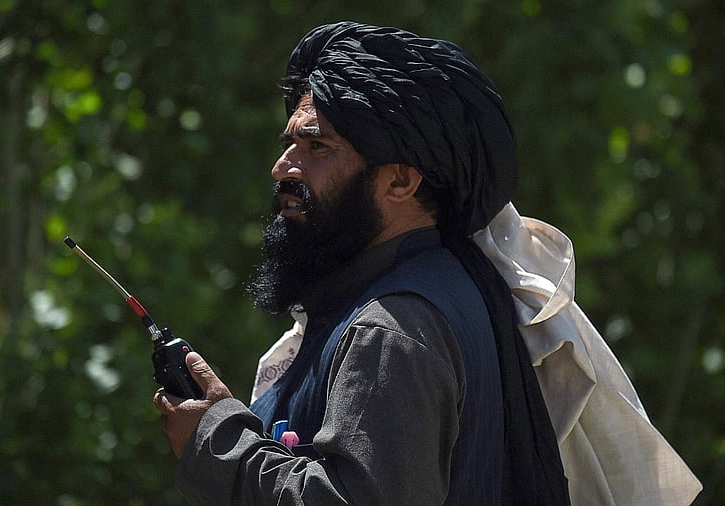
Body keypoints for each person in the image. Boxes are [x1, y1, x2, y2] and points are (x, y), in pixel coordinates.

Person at [152, 22, 702, 505]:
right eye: (288, 144)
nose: (282, 167)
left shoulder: (392, 329)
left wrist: (216, 440)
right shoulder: (441, 287)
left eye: (316, 147)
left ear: (400, 180)